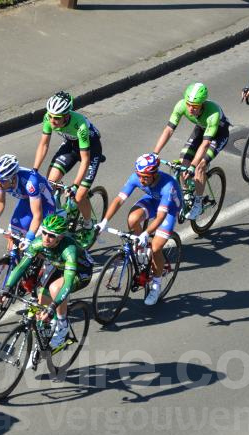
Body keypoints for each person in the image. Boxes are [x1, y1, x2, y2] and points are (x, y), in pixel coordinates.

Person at [95, 153, 182, 306]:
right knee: (132, 219)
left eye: (146, 177)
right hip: (153, 200)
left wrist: (146, 233)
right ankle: (141, 251)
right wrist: (104, 221)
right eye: (140, 175)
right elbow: (119, 200)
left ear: (155, 174)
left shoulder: (168, 186)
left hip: (168, 209)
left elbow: (161, 217)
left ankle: (156, 285)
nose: (141, 180)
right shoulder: (137, 177)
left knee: (155, 248)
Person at [1, 215, 93, 349]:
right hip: (59, 266)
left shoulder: (69, 250)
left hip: (80, 272)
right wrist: (7, 288)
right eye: (44, 232)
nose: (46, 238)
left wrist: (53, 306)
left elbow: (67, 283)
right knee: (41, 306)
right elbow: (21, 267)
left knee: (55, 288)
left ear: (60, 237)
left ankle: (62, 325)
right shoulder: (38, 243)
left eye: (51, 235)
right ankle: (44, 341)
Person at [152, 83, 230, 221]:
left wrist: (194, 165)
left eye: (195, 106)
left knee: (200, 167)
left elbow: (205, 144)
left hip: (218, 134)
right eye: (188, 104)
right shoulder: (181, 105)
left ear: (203, 103)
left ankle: (198, 203)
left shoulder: (213, 113)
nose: (190, 109)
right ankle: (187, 194)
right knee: (182, 164)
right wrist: (155, 153)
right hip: (201, 129)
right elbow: (169, 130)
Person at [31, 92, 104, 236]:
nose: (52, 120)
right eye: (50, 116)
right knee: (49, 183)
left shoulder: (80, 125)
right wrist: (34, 170)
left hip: (91, 151)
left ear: (66, 115)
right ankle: (59, 214)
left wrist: (76, 185)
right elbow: (43, 145)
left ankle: (89, 225)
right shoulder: (48, 117)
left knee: (79, 195)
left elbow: (85, 160)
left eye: (56, 118)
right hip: (70, 146)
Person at [0, 154, 56, 251]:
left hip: (45, 205)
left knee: (38, 247)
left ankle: (47, 264)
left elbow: (37, 216)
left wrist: (29, 238)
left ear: (13, 178)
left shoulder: (30, 183)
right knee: (13, 242)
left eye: (2, 180)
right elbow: (0, 202)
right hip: (27, 201)